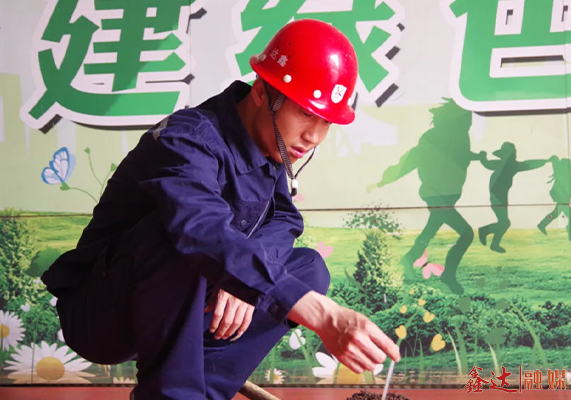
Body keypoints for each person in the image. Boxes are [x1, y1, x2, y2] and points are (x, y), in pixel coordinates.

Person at [41, 19, 400, 400]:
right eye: (305, 113)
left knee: (308, 269)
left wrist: (244, 280)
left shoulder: (268, 147)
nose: (314, 136)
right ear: (261, 91)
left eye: (325, 121)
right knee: (184, 236)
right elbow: (201, 229)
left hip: (184, 312)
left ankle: (204, 391)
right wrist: (315, 310)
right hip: (104, 314)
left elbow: (284, 220)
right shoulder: (188, 138)